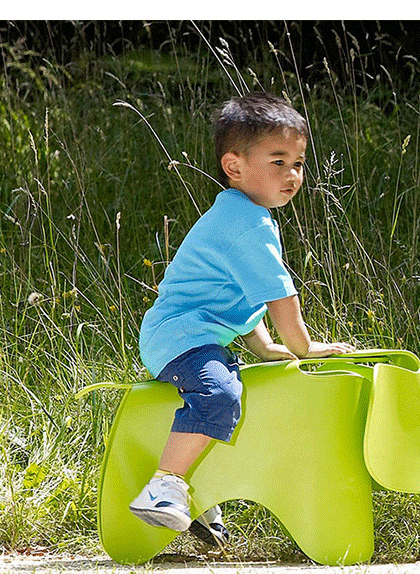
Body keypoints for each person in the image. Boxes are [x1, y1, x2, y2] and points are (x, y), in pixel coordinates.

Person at [128, 92, 354, 544]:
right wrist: (303, 346)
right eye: (278, 162)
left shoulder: (241, 214)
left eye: (298, 163)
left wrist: (264, 346)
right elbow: (279, 294)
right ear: (234, 166)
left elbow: (236, 296)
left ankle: (200, 496)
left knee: (235, 397)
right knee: (220, 392)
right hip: (181, 337)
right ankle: (164, 486)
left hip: (188, 335)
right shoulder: (246, 222)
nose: (292, 175)